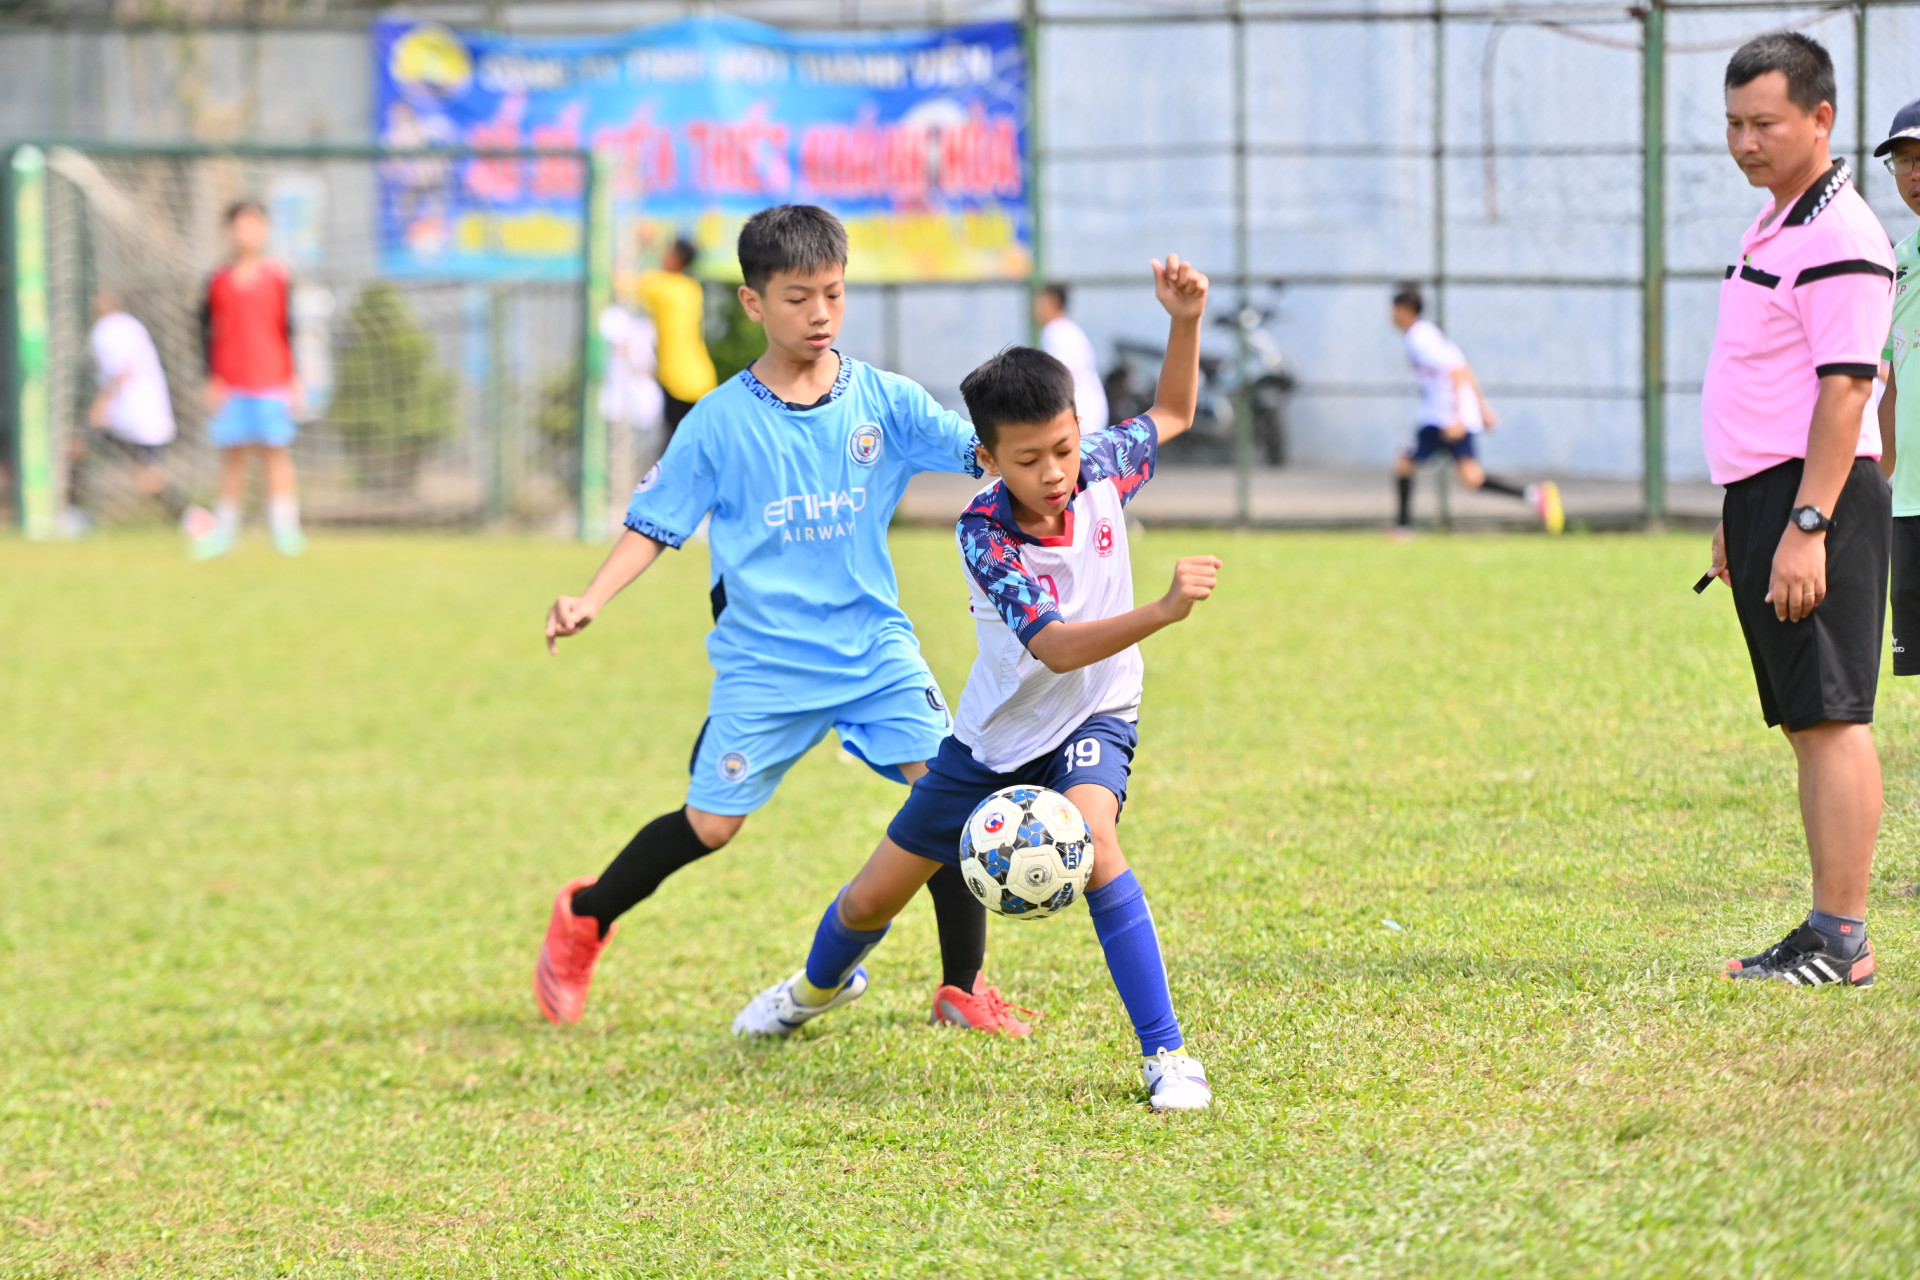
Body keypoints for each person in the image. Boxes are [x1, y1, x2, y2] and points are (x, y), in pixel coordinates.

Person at [733, 255, 1220, 1113]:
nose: (1056, 471)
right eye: (1029, 459)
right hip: (991, 742)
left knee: (1100, 850)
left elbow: (1175, 411)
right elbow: (1057, 646)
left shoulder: (1102, 465)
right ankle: (811, 994)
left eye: (1065, 448)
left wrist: (1185, 319)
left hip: (1095, 716)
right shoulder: (985, 532)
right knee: (872, 895)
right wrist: (1163, 610)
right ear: (988, 461)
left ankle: (1168, 1056)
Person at [534, 205, 1026, 1033]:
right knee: (710, 826)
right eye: (799, 298)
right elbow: (653, 522)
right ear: (754, 302)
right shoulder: (718, 422)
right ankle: (586, 914)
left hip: (874, 649)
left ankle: (961, 987)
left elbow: (980, 449)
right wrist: (589, 597)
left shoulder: (883, 401)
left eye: (833, 293)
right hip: (766, 662)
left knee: (945, 798)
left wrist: (1049, 454)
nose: (821, 314)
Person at [1704, 33, 1894, 987]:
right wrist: (1739, 514)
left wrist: (1807, 524)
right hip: (1767, 495)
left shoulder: (1842, 236)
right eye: (1734, 123)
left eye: (1765, 123)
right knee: (1805, 719)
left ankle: (1842, 936)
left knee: (1832, 717)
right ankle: (1828, 928)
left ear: (1820, 118)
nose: (1745, 141)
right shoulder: (1781, 221)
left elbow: (1847, 392)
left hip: (1815, 498)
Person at [1389, 286, 1563, 535]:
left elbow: (1457, 371)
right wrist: (1481, 408)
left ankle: (1402, 528)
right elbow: (1462, 365)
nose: (1391, 316)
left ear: (1406, 310)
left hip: (1443, 417)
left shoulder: (1419, 338)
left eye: (1394, 310)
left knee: (1405, 463)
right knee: (1471, 478)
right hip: (1447, 414)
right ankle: (1535, 496)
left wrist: (1459, 416)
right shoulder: (1427, 335)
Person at [194, 200, 304, 559]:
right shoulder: (217, 280)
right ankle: (225, 530)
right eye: (239, 225)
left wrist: (293, 378)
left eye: (253, 225)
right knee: (233, 457)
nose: (246, 233)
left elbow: (290, 330)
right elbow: (204, 332)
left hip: (271, 379)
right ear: (228, 232)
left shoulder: (279, 278)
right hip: (231, 382)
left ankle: (285, 530)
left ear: (265, 231)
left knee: (276, 455)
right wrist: (210, 377)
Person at [1875, 98, 1920, 685]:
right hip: (1908, 506)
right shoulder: (1894, 265)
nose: (1915, 174)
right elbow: (1883, 383)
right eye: (1904, 162)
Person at [70, 289, 180, 524]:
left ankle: (75, 518)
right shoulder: (133, 326)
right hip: (149, 414)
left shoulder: (106, 330)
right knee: (147, 479)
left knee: (78, 448)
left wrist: (100, 405)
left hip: (127, 416)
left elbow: (122, 372)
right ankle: (77, 516)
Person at [637, 237, 718, 437]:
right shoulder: (690, 287)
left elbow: (621, 281)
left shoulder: (664, 287)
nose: (663, 255)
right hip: (701, 378)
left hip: (678, 381)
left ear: (677, 258)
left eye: (668, 251)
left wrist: (642, 246)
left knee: (677, 447)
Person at [1036, 281, 1109, 433]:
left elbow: (1059, 380)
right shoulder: (1071, 329)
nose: (1036, 309)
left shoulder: (1054, 331)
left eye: (1040, 303)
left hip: (1079, 415)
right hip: (1093, 411)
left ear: (1053, 302)